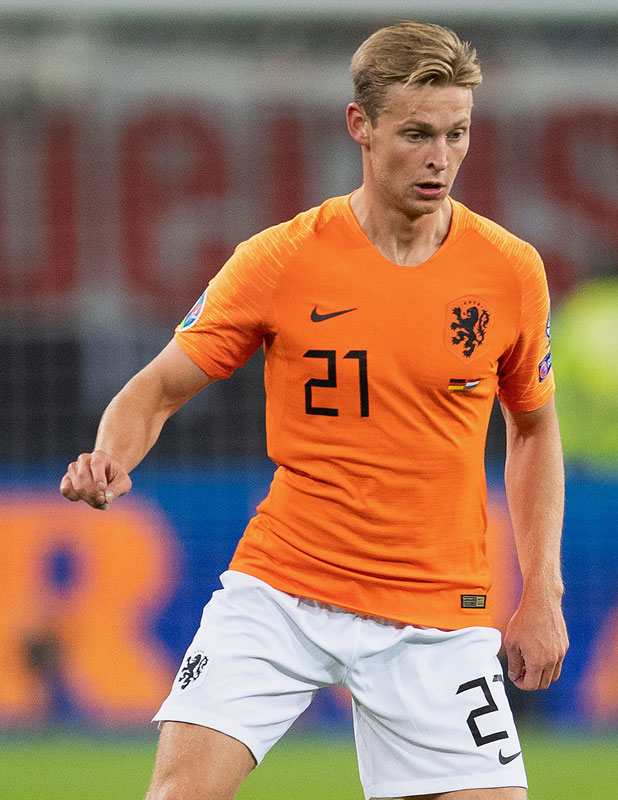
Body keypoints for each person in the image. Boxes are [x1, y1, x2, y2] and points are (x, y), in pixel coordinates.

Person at [60, 21, 568, 800]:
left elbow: (531, 427)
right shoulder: (281, 259)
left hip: (436, 611)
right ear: (360, 125)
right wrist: (110, 458)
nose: (440, 157)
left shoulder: (508, 271)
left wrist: (542, 591)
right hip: (283, 590)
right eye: (417, 134)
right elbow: (156, 388)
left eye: (457, 133)